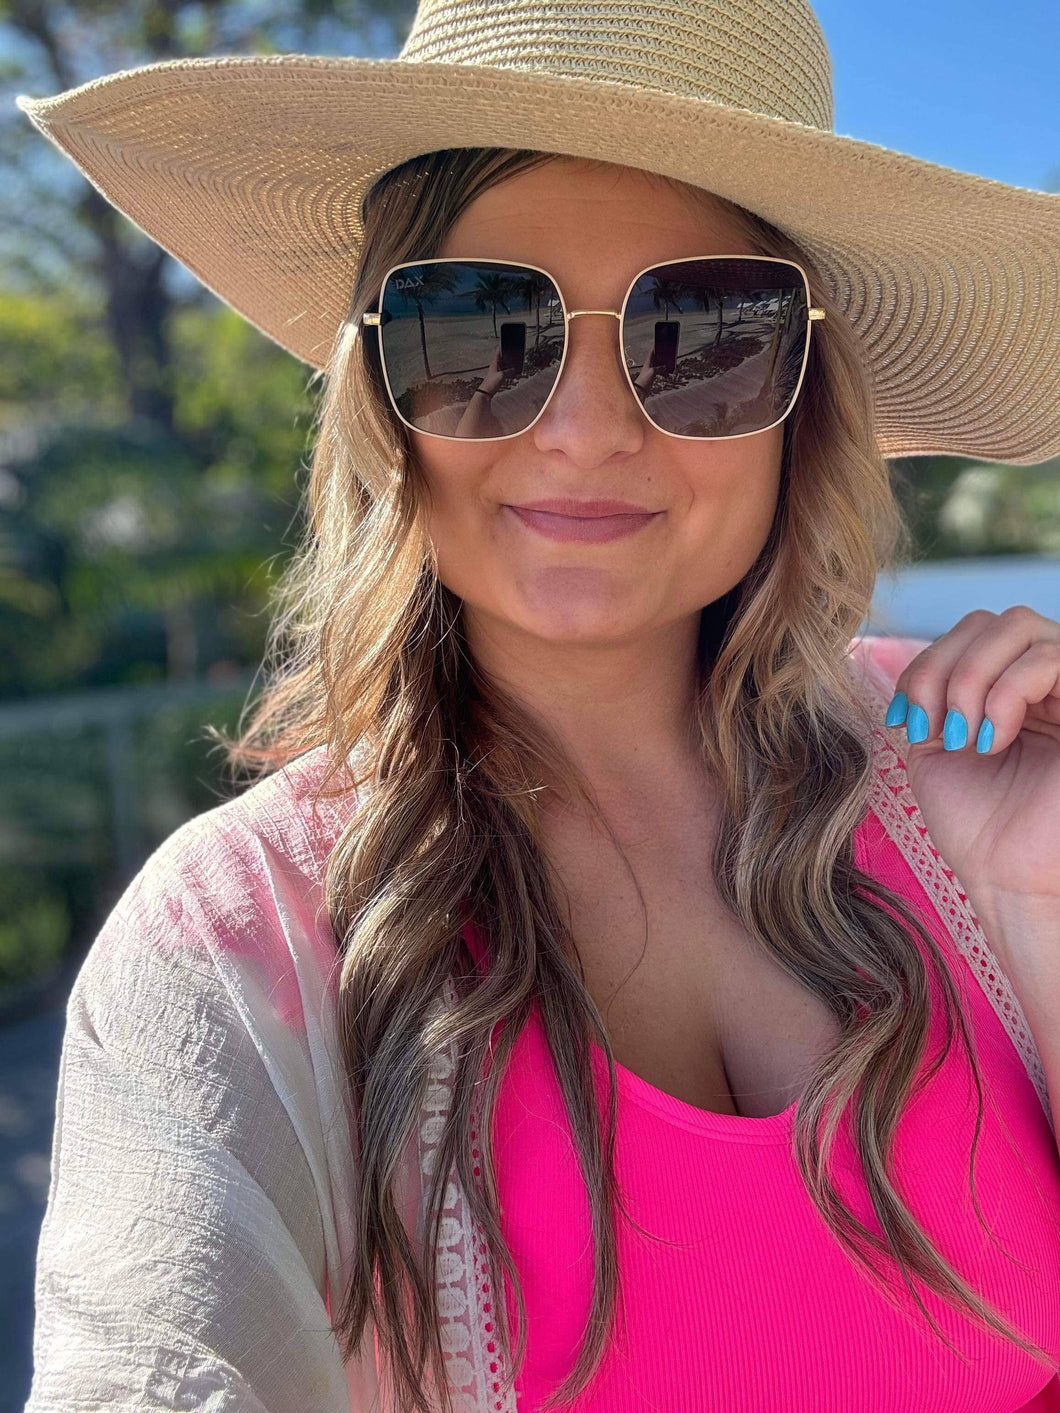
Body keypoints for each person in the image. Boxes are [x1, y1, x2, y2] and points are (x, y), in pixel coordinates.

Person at [15, 1, 1060, 1409]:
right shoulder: (235, 946)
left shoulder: (970, 781)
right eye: (479, 325)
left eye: (704, 331)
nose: (586, 427)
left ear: (802, 402)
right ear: (380, 388)